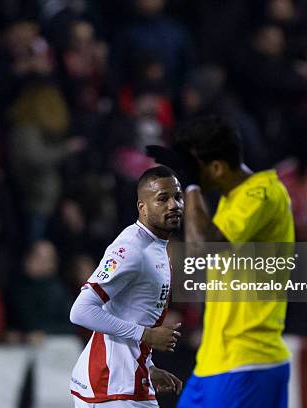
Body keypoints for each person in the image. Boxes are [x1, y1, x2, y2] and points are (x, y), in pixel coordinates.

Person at [148, 116, 294, 408]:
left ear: (217, 167)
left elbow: (200, 249)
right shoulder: (233, 199)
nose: (190, 176)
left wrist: (190, 187)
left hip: (249, 362)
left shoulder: (263, 194)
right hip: (215, 363)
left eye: (195, 168)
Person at [69, 165, 184, 407]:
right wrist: (148, 335)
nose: (174, 205)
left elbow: (130, 312)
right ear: (142, 207)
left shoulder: (157, 246)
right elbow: (80, 311)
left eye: (177, 196)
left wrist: (148, 366)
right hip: (110, 386)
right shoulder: (131, 248)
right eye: (162, 199)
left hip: (128, 380)